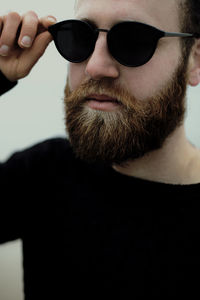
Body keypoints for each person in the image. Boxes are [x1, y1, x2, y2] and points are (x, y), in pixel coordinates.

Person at [1, 0, 200, 298]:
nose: (95, 67)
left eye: (133, 40)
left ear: (194, 59)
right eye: (81, 36)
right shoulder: (45, 172)